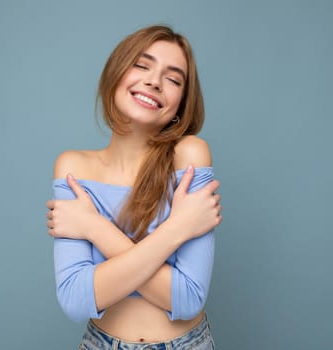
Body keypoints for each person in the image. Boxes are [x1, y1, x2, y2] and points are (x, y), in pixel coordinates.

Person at [46, 25, 222, 350]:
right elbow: (75, 299)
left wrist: (93, 227)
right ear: (116, 72)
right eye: (142, 65)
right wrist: (179, 228)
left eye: (173, 79)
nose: (154, 81)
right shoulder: (73, 167)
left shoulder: (190, 155)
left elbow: (187, 297)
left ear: (182, 102)